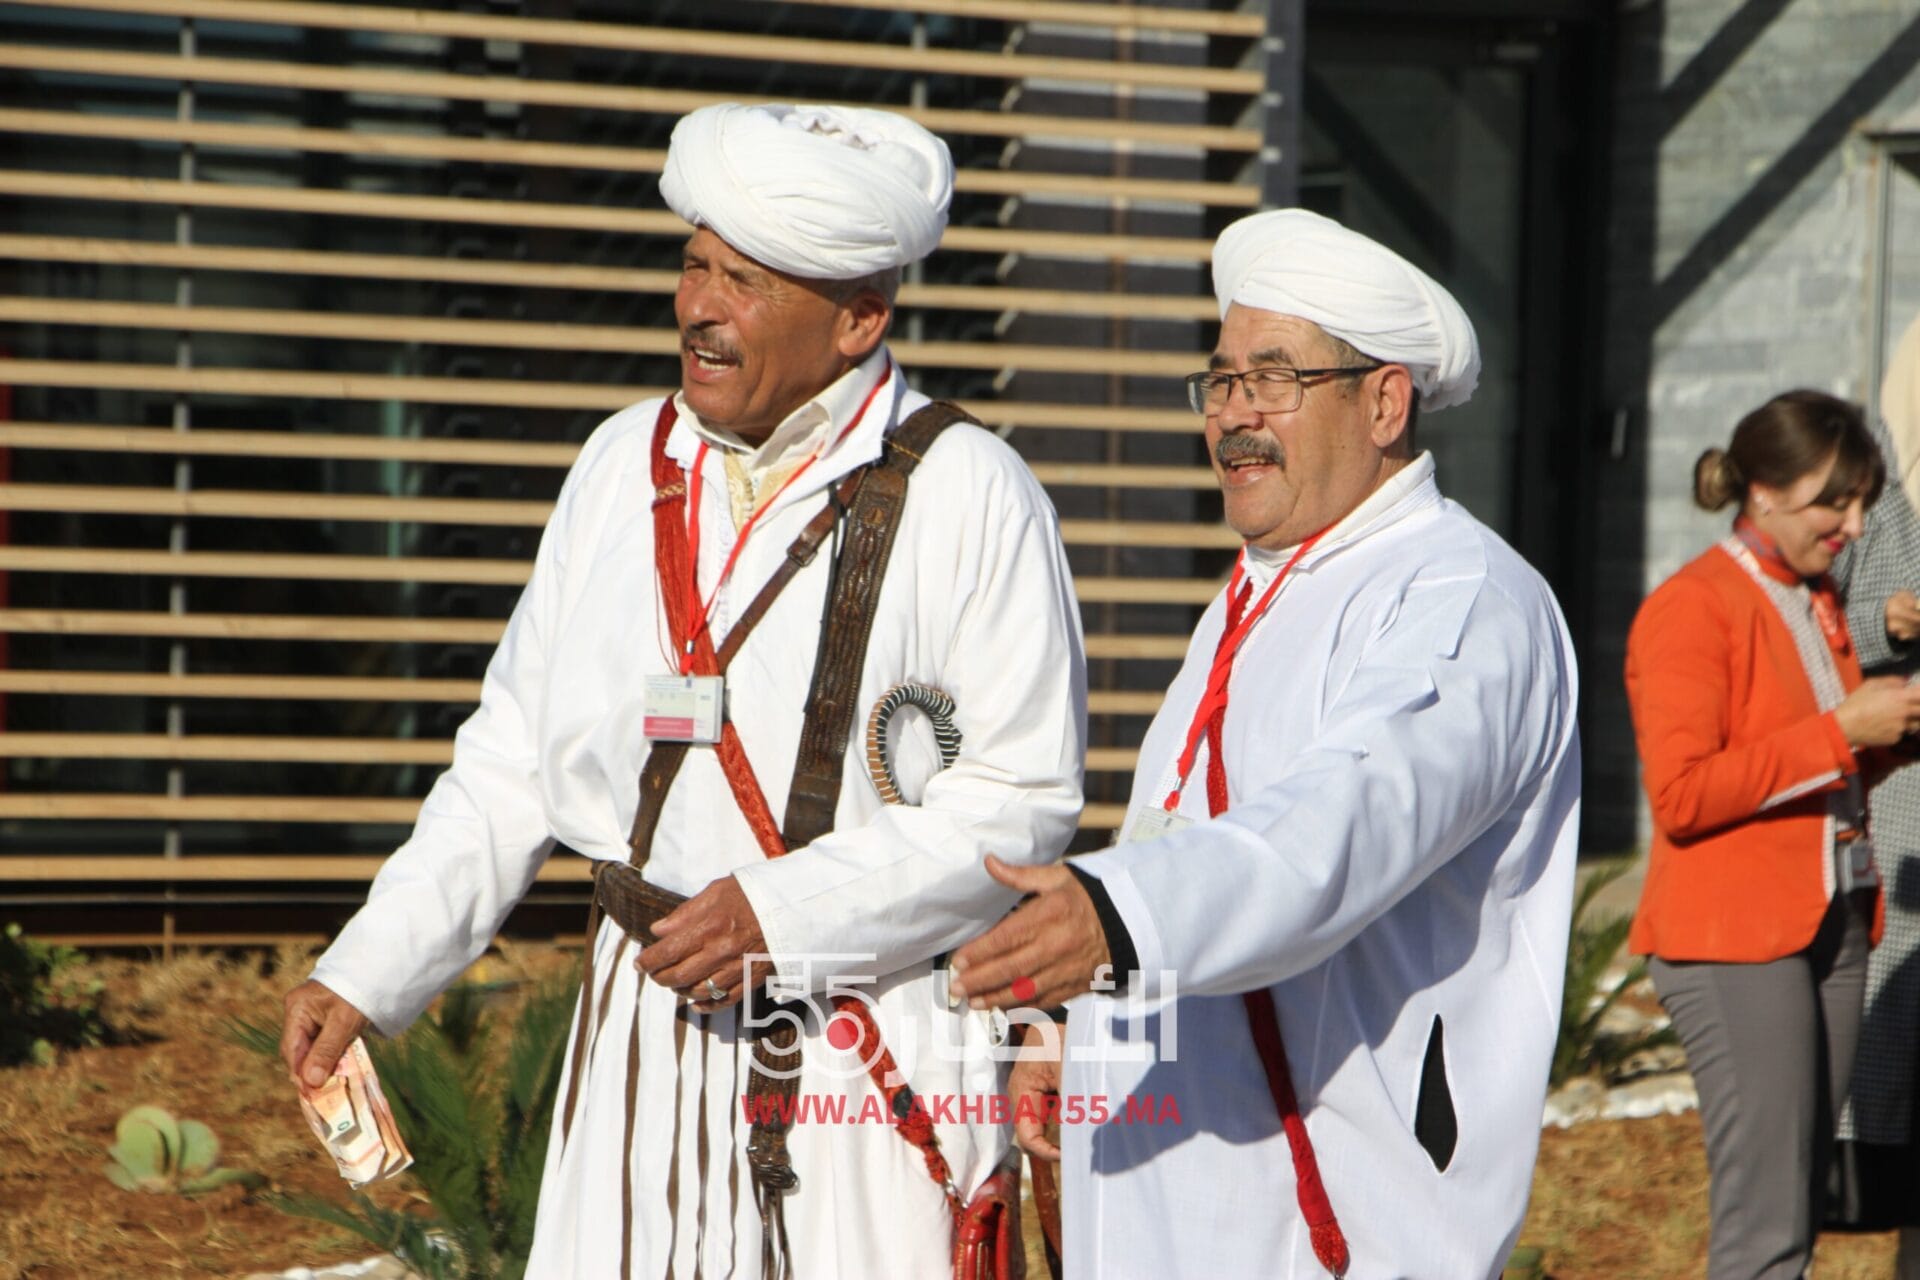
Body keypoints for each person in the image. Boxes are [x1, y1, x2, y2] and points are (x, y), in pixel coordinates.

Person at [278, 102, 1088, 1279]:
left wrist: (786, 913)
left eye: (744, 282)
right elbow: (513, 759)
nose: (699, 307)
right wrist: (370, 966)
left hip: (862, 1063)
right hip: (636, 1052)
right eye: (695, 265)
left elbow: (1016, 809)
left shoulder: (975, 492)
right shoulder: (621, 463)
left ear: (859, 318)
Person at [949, 207, 1583, 1278]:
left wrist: (1113, 919)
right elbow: (1176, 839)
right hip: (1176, 1195)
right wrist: (1076, 1025)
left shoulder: (1464, 598)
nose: (1235, 414)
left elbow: (1339, 827)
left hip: (1323, 1228)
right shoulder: (1263, 588)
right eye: (1222, 379)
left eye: (1276, 377)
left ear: (1384, 402)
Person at [1625, 389, 1919, 1280]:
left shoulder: (1813, 597)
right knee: (1767, 1226)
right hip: (1735, 938)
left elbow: (1814, 769)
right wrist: (1844, 731)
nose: (1855, 526)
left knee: (1795, 1209)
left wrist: (1891, 737)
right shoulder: (1693, 605)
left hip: (1830, 920)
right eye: (1836, 502)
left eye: (1862, 503)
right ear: (1763, 491)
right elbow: (1682, 795)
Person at [1830, 316, 1920, 1267]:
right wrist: (1883, 623)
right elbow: (1807, 632)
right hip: (1899, 809)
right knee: (1894, 1022)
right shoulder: (1875, 501)